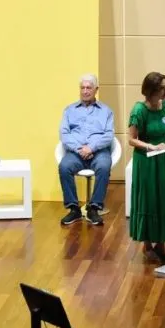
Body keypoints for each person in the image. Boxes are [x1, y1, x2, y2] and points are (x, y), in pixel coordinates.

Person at [128, 72, 165, 265]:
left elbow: (161, 133)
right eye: (162, 87)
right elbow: (131, 139)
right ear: (151, 90)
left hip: (162, 160)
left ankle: (161, 243)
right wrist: (151, 146)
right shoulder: (139, 110)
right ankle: (147, 244)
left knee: (162, 199)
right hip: (146, 161)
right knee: (148, 200)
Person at [58, 74, 115, 226]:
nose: (85, 91)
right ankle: (73, 209)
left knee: (104, 166)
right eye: (82, 88)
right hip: (76, 153)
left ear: (96, 89)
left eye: (89, 88)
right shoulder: (69, 110)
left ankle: (94, 208)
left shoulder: (106, 111)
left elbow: (109, 135)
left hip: (98, 152)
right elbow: (64, 134)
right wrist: (79, 148)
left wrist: (91, 147)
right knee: (64, 167)